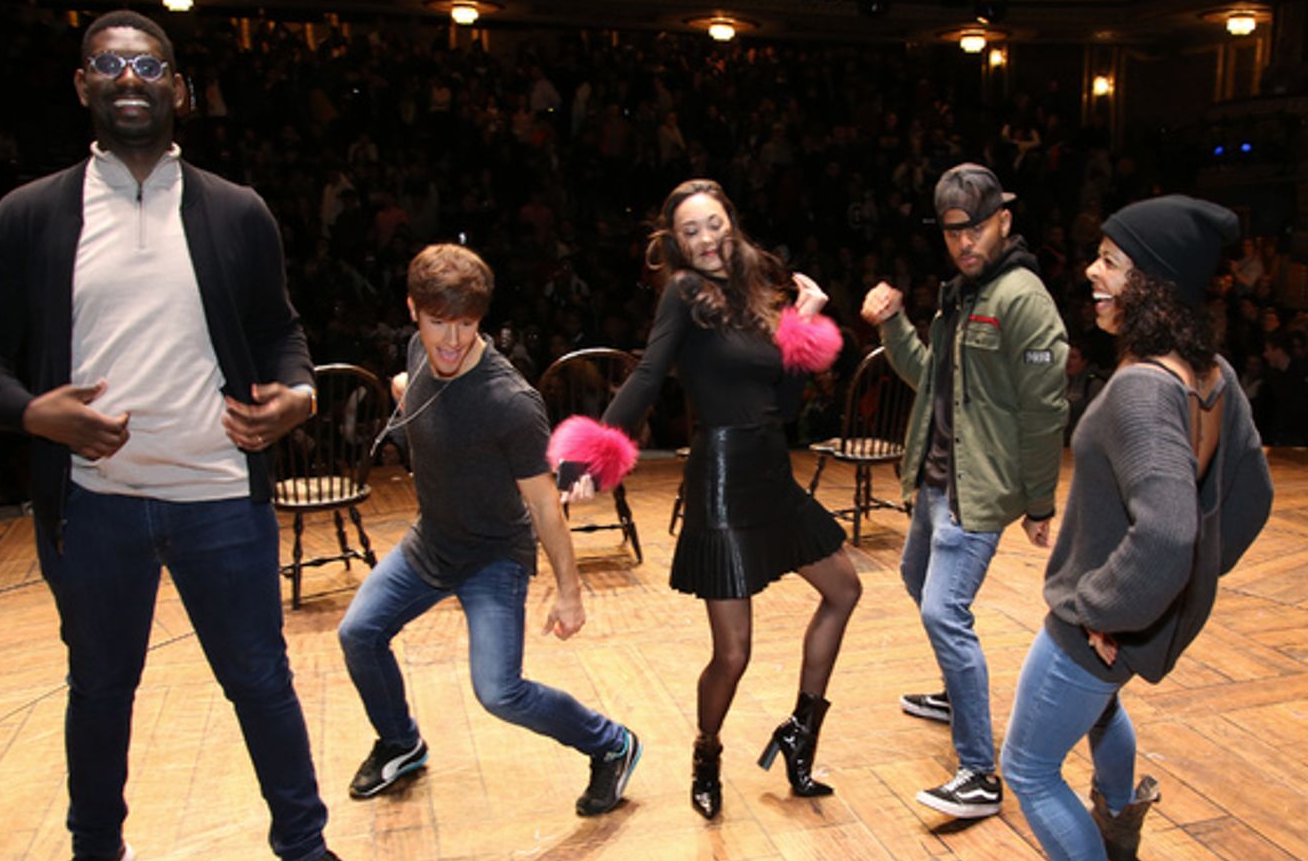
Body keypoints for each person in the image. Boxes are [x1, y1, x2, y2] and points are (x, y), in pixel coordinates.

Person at [0, 11, 378, 861]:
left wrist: (295, 393)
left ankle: (304, 850)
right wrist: (29, 411)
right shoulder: (32, 213)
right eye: (108, 63)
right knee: (99, 687)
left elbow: (278, 329)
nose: (128, 76)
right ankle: (96, 850)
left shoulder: (236, 210)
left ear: (177, 88)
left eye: (149, 64)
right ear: (82, 84)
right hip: (95, 508)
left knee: (261, 681)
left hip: (221, 495)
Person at [1002, 195, 1272, 861]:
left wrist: (1111, 608)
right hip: (1129, 619)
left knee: (1027, 768)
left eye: (1111, 261)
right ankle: (1119, 826)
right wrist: (1178, 591)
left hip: (1099, 618)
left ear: (1152, 284)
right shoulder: (1212, 378)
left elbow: (1168, 531)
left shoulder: (1141, 389)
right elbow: (1248, 501)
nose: (1092, 270)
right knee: (1102, 706)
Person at [556, 178, 860, 821]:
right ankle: (707, 751)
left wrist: (800, 332)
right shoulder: (684, 294)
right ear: (675, 242)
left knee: (844, 590)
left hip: (772, 473)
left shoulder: (753, 294)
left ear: (732, 223)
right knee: (734, 652)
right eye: (690, 231)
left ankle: (800, 735)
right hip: (721, 479)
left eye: (713, 224)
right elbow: (646, 373)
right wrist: (594, 453)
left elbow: (779, 404)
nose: (706, 239)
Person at [337, 243, 641, 817]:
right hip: (432, 541)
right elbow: (418, 388)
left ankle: (612, 744)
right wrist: (406, 391)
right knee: (358, 634)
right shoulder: (419, 353)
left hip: (492, 557)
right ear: (414, 311)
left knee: (499, 692)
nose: (450, 341)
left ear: (482, 322)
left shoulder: (510, 403)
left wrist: (570, 592)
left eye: (466, 326)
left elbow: (546, 506)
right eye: (437, 324)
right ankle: (402, 744)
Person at [861, 163, 1067, 821]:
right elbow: (929, 376)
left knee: (943, 612)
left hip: (978, 489)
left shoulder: (1021, 299)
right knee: (918, 580)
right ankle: (958, 690)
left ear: (1004, 219)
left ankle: (979, 772)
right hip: (937, 476)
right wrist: (893, 324)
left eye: (976, 227)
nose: (964, 242)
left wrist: (1039, 502)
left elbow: (1045, 413)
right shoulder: (962, 293)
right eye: (953, 231)